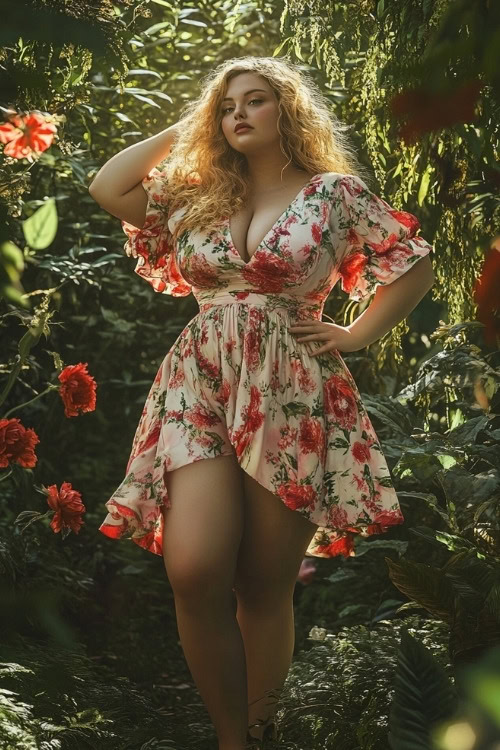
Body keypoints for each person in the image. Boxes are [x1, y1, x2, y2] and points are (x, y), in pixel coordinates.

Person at [89, 55, 435, 749]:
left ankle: (255, 733)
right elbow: (108, 185)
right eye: (226, 106)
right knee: (193, 568)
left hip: (294, 387)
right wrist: (193, 120)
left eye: (255, 101)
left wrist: (357, 333)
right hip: (200, 380)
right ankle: (231, 737)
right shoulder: (200, 194)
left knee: (262, 585)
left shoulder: (332, 194)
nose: (237, 114)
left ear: (289, 111)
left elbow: (412, 261)